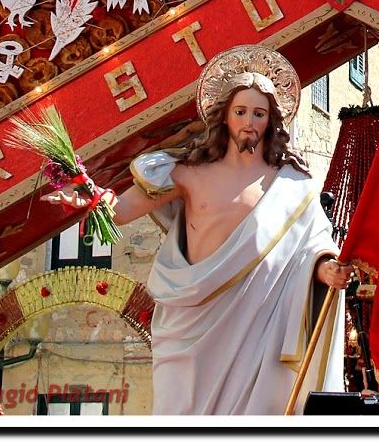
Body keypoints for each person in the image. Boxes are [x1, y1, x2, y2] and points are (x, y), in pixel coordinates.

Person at [50, 45, 354, 415]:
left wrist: (327, 269)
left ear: (271, 120)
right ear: (224, 116)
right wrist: (88, 198)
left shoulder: (293, 186)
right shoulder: (190, 173)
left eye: (259, 113)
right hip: (191, 324)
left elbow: (313, 248)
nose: (249, 121)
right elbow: (123, 209)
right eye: (240, 111)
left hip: (259, 326)